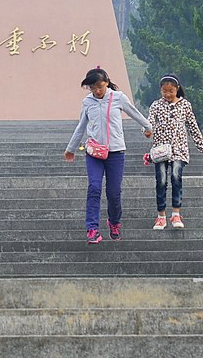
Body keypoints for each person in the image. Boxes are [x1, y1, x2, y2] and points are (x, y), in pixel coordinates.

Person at [64, 68, 153, 244]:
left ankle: (114, 222)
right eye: (92, 88)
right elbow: (81, 126)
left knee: (113, 193)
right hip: (94, 153)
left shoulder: (118, 97)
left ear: (106, 82)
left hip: (115, 152)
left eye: (99, 86)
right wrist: (71, 148)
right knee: (94, 188)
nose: (97, 91)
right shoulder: (87, 102)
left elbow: (134, 113)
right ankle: (92, 229)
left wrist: (148, 127)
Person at [147, 74, 203, 230]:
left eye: (171, 91)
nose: (168, 94)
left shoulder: (185, 105)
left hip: (179, 149)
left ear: (177, 89)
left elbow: (192, 126)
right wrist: (147, 130)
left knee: (176, 176)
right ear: (160, 90)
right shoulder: (156, 105)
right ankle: (161, 216)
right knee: (161, 180)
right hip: (161, 150)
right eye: (164, 91)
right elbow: (149, 122)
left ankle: (176, 213)